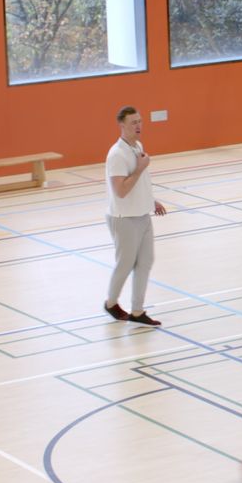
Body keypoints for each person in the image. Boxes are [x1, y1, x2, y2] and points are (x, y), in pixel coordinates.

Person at [103, 106, 167, 326]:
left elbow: (140, 183)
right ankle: (111, 303)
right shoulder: (116, 155)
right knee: (125, 263)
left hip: (142, 214)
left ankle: (138, 311)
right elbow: (120, 191)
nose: (138, 126)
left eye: (140, 121)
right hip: (124, 218)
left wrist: (151, 200)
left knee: (146, 262)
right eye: (133, 122)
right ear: (122, 125)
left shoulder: (137, 146)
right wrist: (139, 168)